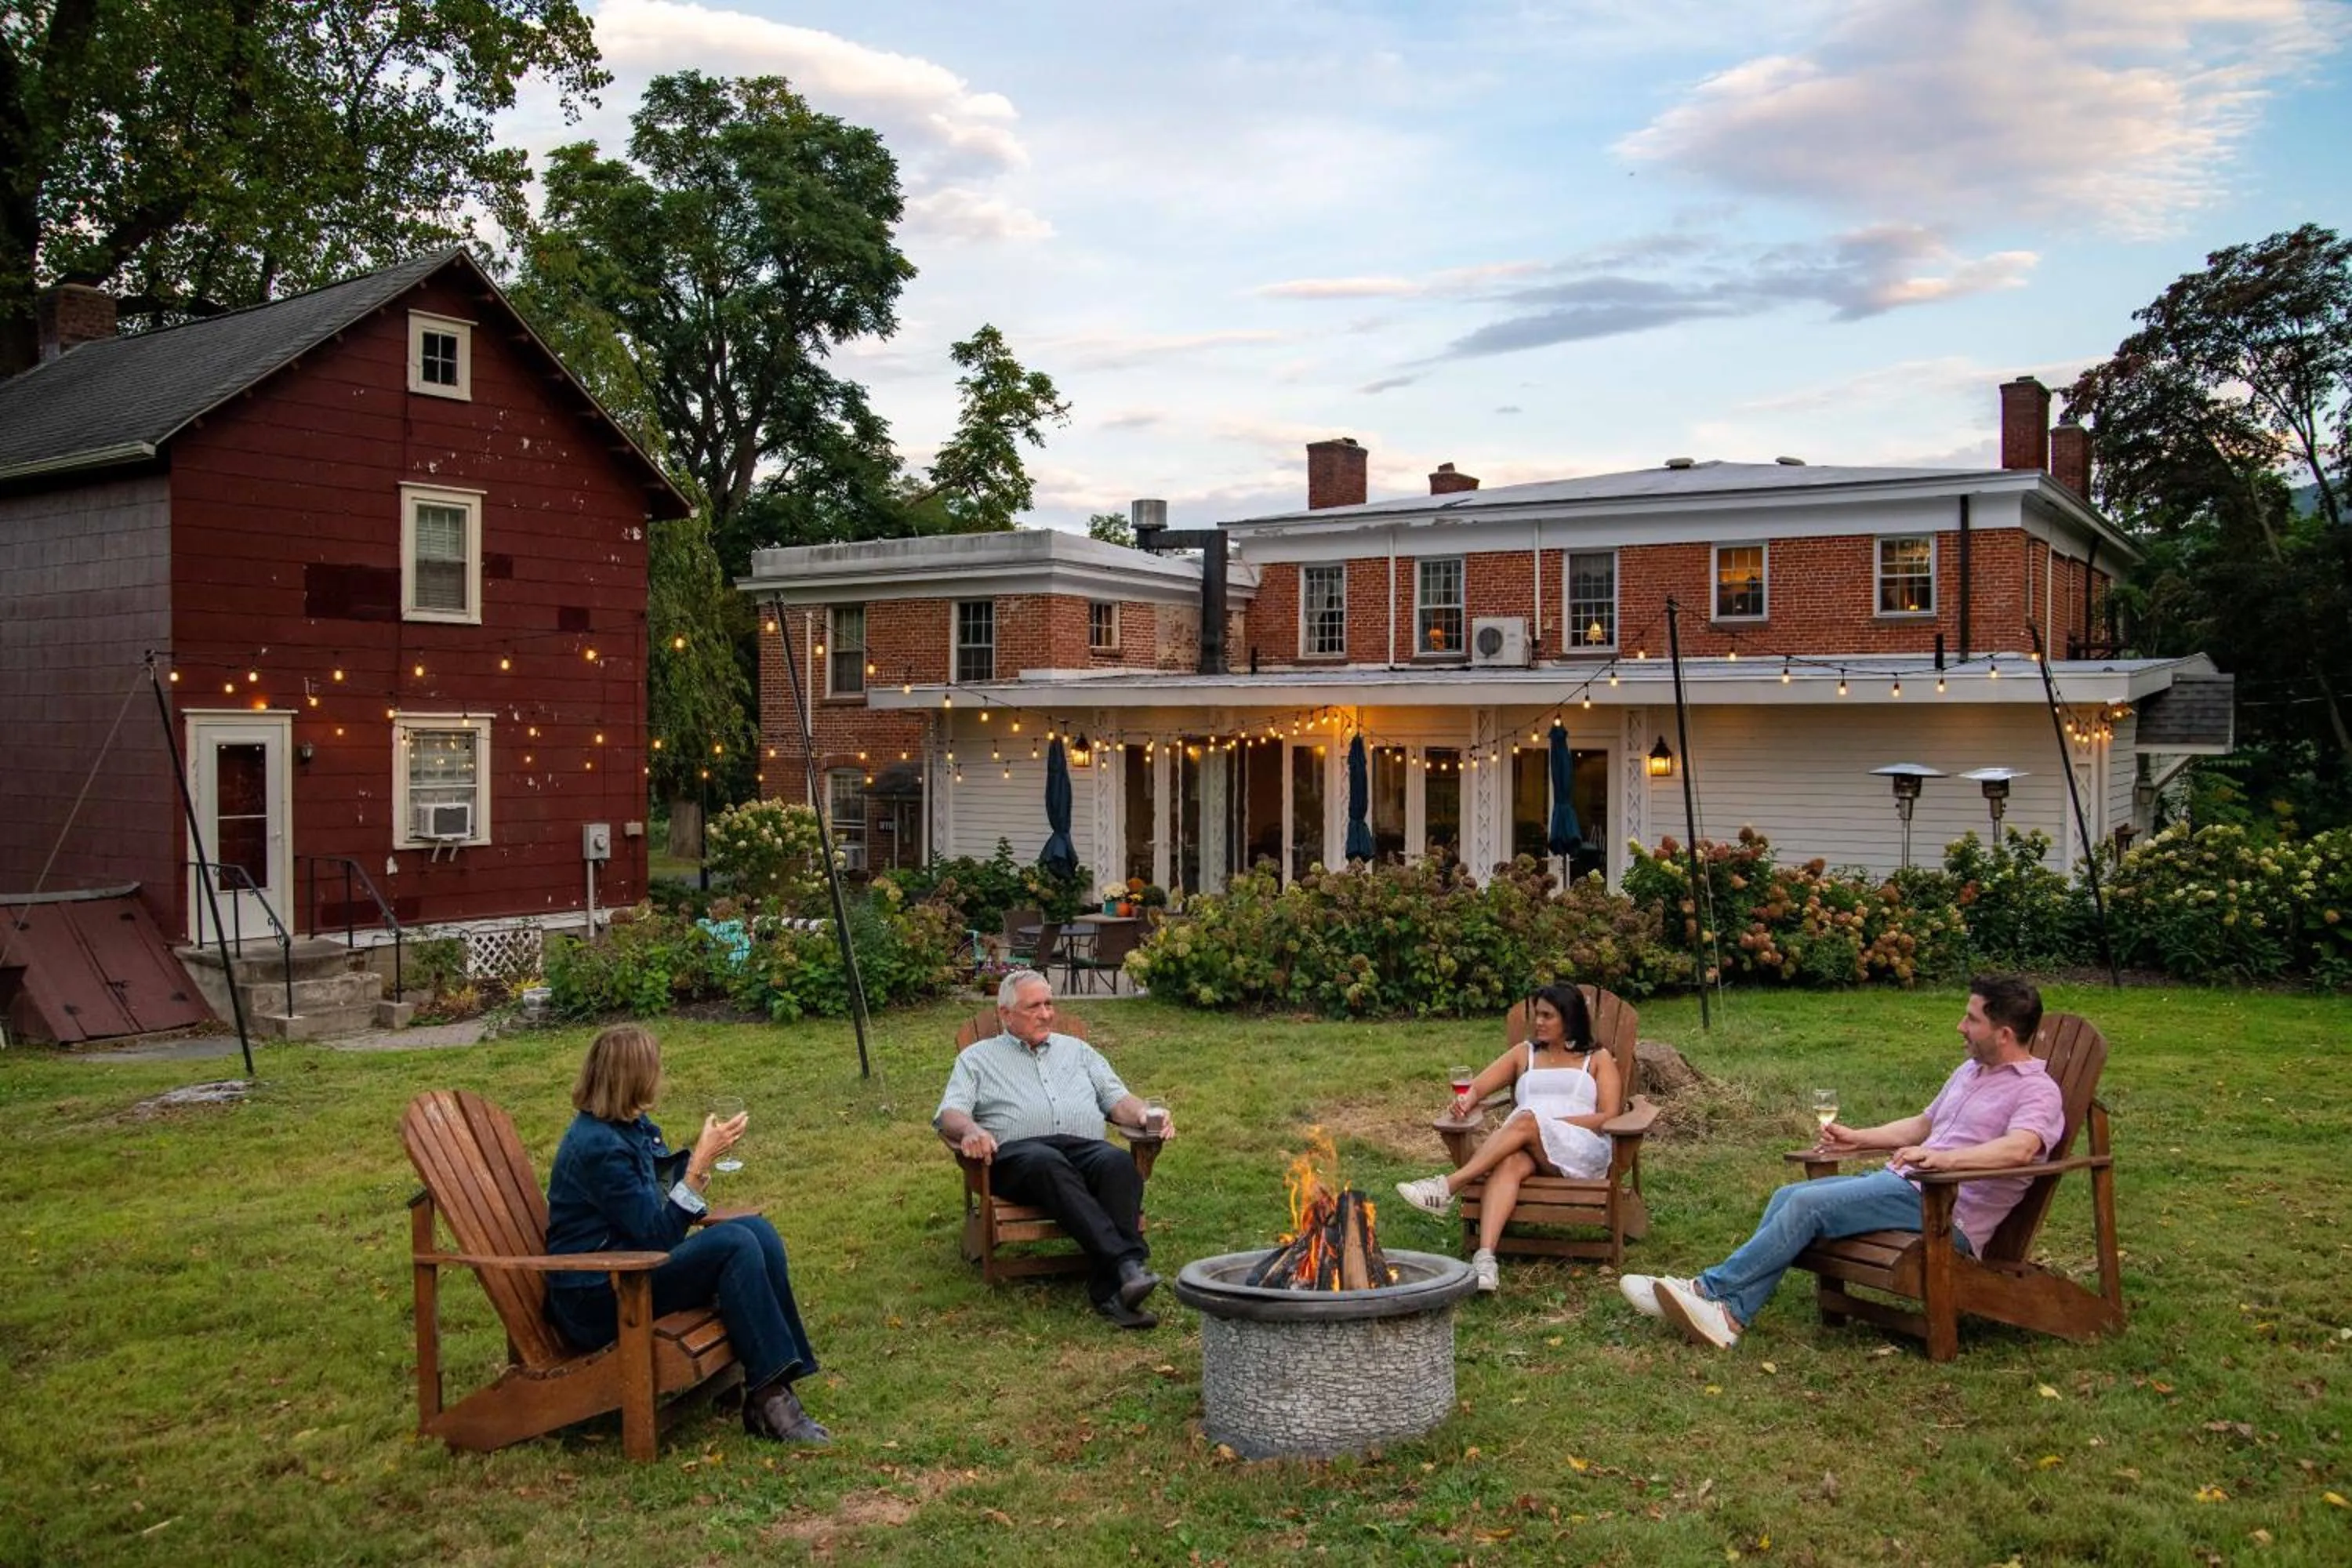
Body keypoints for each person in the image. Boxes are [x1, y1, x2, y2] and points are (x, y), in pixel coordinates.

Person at [1621, 975, 2062, 1350]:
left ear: (2004, 1033)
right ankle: (1729, 1316)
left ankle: (1709, 1292)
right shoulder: (1970, 1072)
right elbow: (1922, 1124)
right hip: (1908, 1185)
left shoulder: (2037, 1091)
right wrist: (1858, 1137)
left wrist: (1946, 1159)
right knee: (1789, 1195)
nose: (1960, 1026)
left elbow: (2021, 1149)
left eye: (1972, 1019)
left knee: (1805, 1207)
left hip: (1947, 1209)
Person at [543, 1023, 829, 1443]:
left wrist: (692, 1173)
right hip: (601, 1295)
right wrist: (698, 1168)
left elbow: (653, 1207)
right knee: (735, 1243)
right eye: (654, 1069)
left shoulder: (628, 1127)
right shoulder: (598, 1147)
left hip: (630, 1270)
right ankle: (770, 1396)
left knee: (758, 1232)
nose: (660, 1077)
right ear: (633, 1078)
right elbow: (658, 1237)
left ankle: (775, 1385)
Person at [936, 969, 1178, 1329]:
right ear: (1005, 1014)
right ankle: (1127, 1264)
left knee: (1116, 1163)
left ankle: (1114, 1290)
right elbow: (950, 1112)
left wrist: (1145, 1113)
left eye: (1049, 1004)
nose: (1047, 1014)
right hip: (1018, 1157)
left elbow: (1117, 1100)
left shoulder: (1078, 1051)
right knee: (1046, 1161)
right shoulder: (976, 1059)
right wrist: (970, 1130)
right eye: (1034, 1006)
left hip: (1082, 1150)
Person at [1395, 984, 1621, 1293]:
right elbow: (1477, 1087)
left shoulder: (1597, 1058)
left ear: (1569, 1019)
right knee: (1510, 1163)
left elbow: (1608, 1116)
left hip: (1579, 1146)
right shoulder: (1523, 1054)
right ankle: (1486, 1260)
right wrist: (1465, 1100)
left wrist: (1549, 1124)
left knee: (1526, 1119)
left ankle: (1448, 1186)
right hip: (1527, 1145)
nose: (1538, 1022)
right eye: (1537, 1014)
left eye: (1547, 1016)